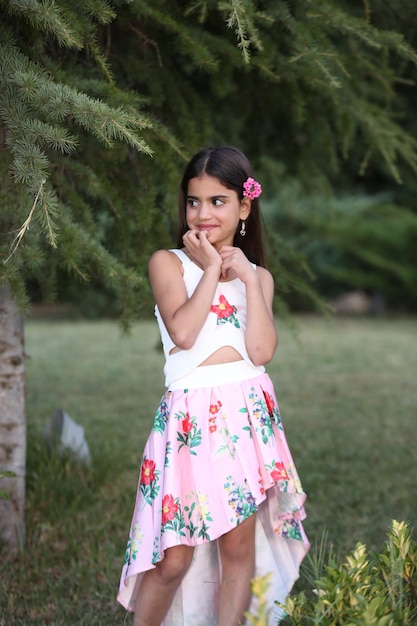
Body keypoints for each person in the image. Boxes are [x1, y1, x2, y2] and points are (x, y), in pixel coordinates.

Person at [117, 145, 309, 626]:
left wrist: (245, 273)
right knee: (174, 558)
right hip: (190, 423)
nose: (203, 214)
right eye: (193, 201)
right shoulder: (169, 263)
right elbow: (183, 333)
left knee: (237, 549)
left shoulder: (257, 277)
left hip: (244, 417)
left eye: (218, 202)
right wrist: (208, 271)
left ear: (244, 208)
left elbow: (261, 352)